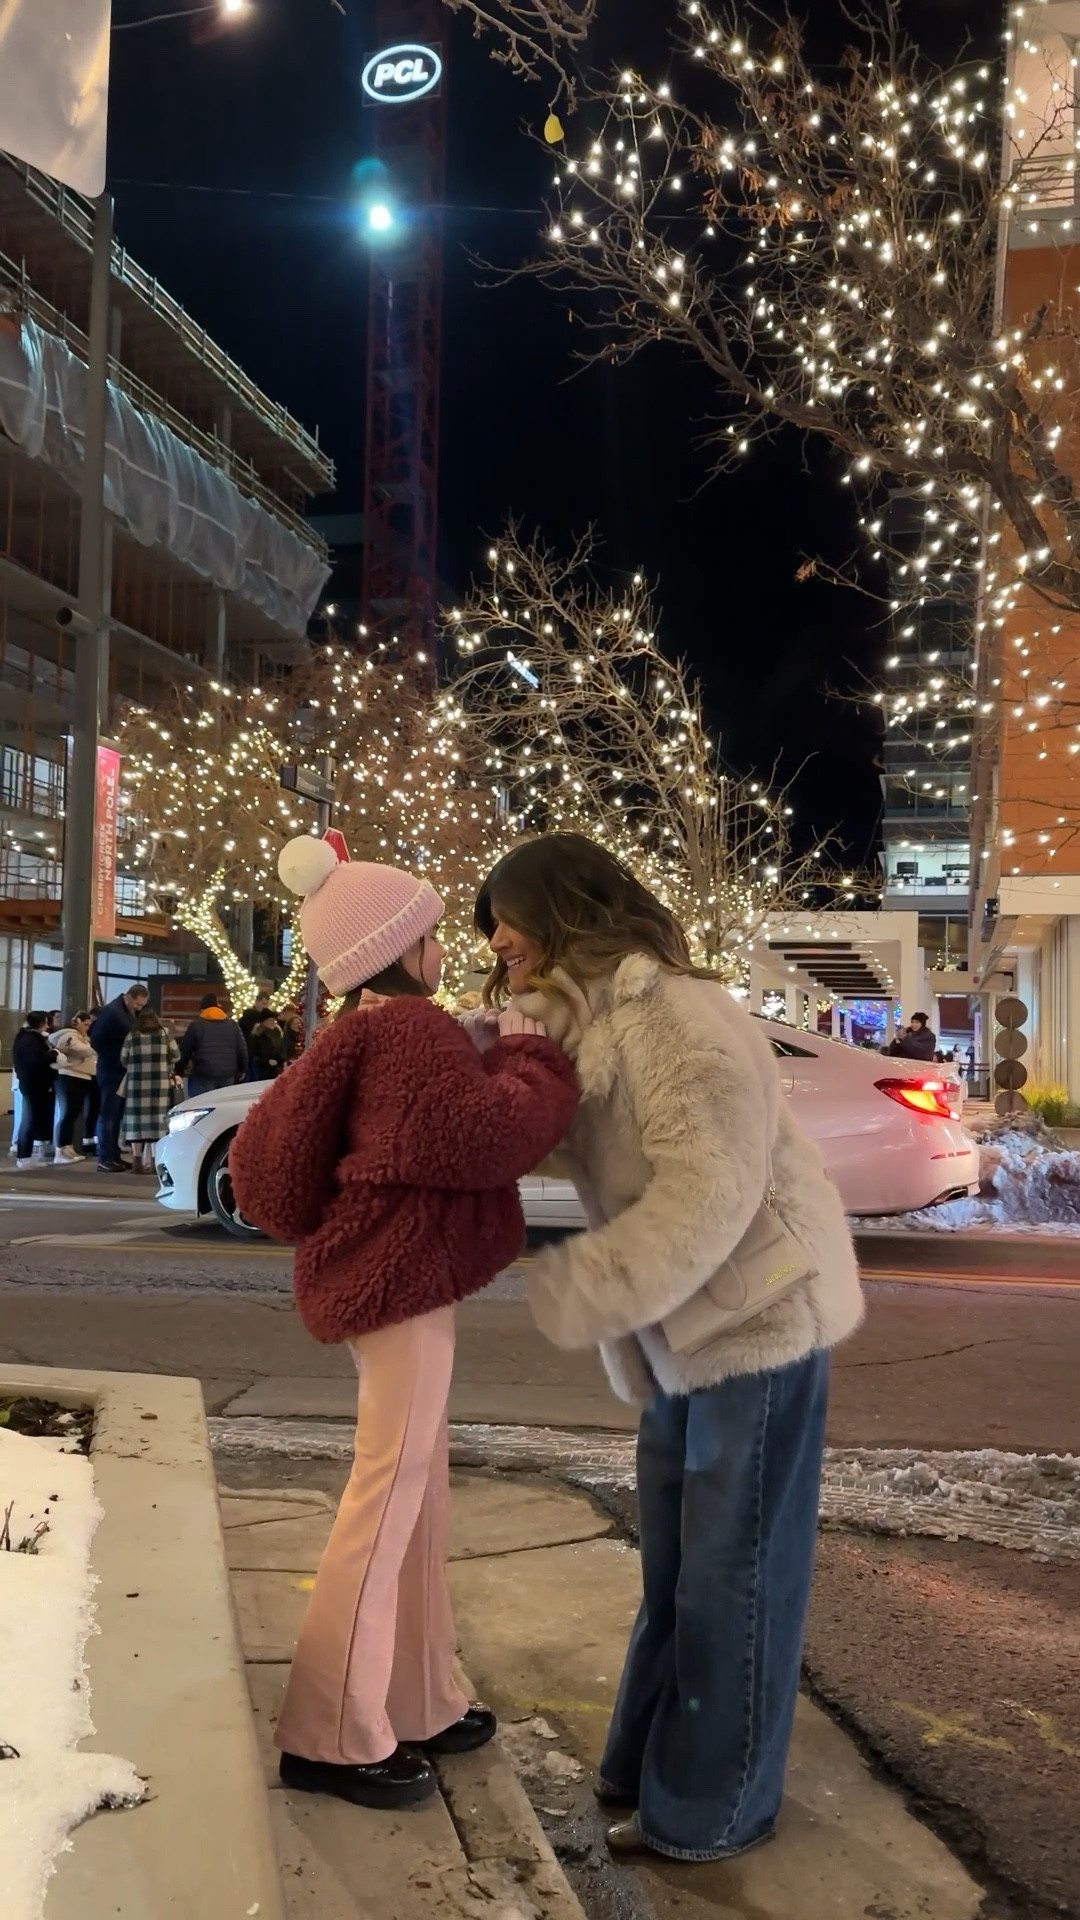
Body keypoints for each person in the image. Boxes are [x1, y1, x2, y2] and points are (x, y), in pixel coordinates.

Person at [474, 834, 864, 1866]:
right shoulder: (591, 1025)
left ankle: (715, 1809)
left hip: (759, 1322)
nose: (497, 940)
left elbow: (712, 1187)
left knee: (732, 1577)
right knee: (679, 1568)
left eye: (507, 918)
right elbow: (543, 1131)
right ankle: (652, 1765)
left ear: (563, 911)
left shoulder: (676, 1015)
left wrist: (592, 1284)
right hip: (686, 1329)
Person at [229, 835, 577, 1814]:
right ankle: (330, 1733)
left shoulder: (361, 1030)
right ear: (402, 945)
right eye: (430, 930)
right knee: (388, 1495)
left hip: (384, 1284)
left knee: (413, 1490)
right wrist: (531, 1053)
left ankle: (417, 1696)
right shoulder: (413, 1032)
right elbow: (485, 1136)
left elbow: (305, 1163)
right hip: (402, 1281)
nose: (444, 945)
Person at [91, 984, 150, 1172]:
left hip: (119, 1070)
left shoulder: (123, 1012)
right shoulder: (112, 1012)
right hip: (111, 1070)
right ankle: (105, 1158)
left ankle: (113, 1156)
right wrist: (117, 1056)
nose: (139, 1009)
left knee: (116, 1116)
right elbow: (96, 1040)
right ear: (130, 997)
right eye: (138, 1004)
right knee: (109, 1115)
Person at [120, 1008, 181, 1173]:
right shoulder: (164, 1034)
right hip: (159, 1085)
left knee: (135, 1122)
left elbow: (123, 1059)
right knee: (157, 1123)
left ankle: (136, 1161)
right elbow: (176, 1055)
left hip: (136, 1084)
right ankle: (154, 1162)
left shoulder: (132, 1036)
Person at [176, 992, 248, 1096]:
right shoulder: (232, 1025)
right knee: (223, 1103)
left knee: (204, 1103)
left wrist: (179, 1070)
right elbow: (242, 1049)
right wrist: (243, 1069)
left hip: (204, 1074)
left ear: (202, 1009)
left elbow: (185, 1050)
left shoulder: (196, 1025)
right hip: (227, 1074)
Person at [50, 1012, 97, 1161]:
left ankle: (68, 1147)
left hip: (82, 1076)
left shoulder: (83, 1038)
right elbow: (80, 1050)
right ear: (77, 1022)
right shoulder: (69, 1035)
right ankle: (61, 1149)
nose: (87, 1028)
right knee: (68, 1113)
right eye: (86, 1024)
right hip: (69, 1076)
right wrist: (94, 1048)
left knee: (74, 1113)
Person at [13, 1012, 56, 1169]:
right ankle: (24, 1157)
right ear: (40, 1024)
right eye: (46, 1023)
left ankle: (27, 1155)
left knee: (32, 1119)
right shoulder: (30, 1041)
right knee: (29, 1120)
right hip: (33, 1084)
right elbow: (37, 1061)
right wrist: (52, 1055)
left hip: (33, 1084)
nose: (48, 1026)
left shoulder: (26, 1038)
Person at [248, 1013, 286, 1081]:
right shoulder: (257, 1035)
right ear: (264, 1022)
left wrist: (280, 1060)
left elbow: (282, 1050)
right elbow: (253, 1054)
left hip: (276, 1069)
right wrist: (267, 1061)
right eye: (270, 1020)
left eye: (274, 1020)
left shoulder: (278, 1034)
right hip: (262, 1071)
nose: (272, 1022)